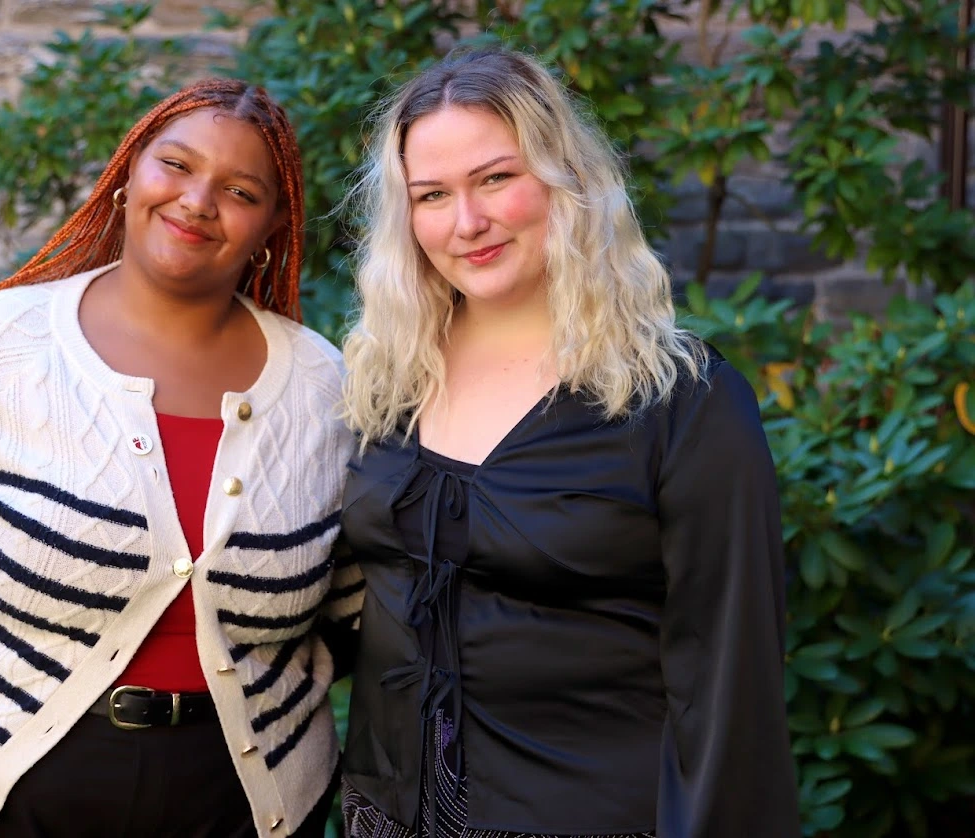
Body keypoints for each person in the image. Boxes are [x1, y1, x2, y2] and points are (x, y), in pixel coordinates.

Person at [0, 78, 362, 838]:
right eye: (176, 165)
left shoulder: (324, 390)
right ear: (129, 173)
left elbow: (357, 591)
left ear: (272, 223)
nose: (197, 200)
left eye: (238, 189)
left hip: (231, 807)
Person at [336, 48, 800, 838]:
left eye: (496, 179)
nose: (466, 222)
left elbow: (729, 682)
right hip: (384, 817)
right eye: (432, 195)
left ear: (567, 180)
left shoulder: (679, 399)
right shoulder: (386, 383)